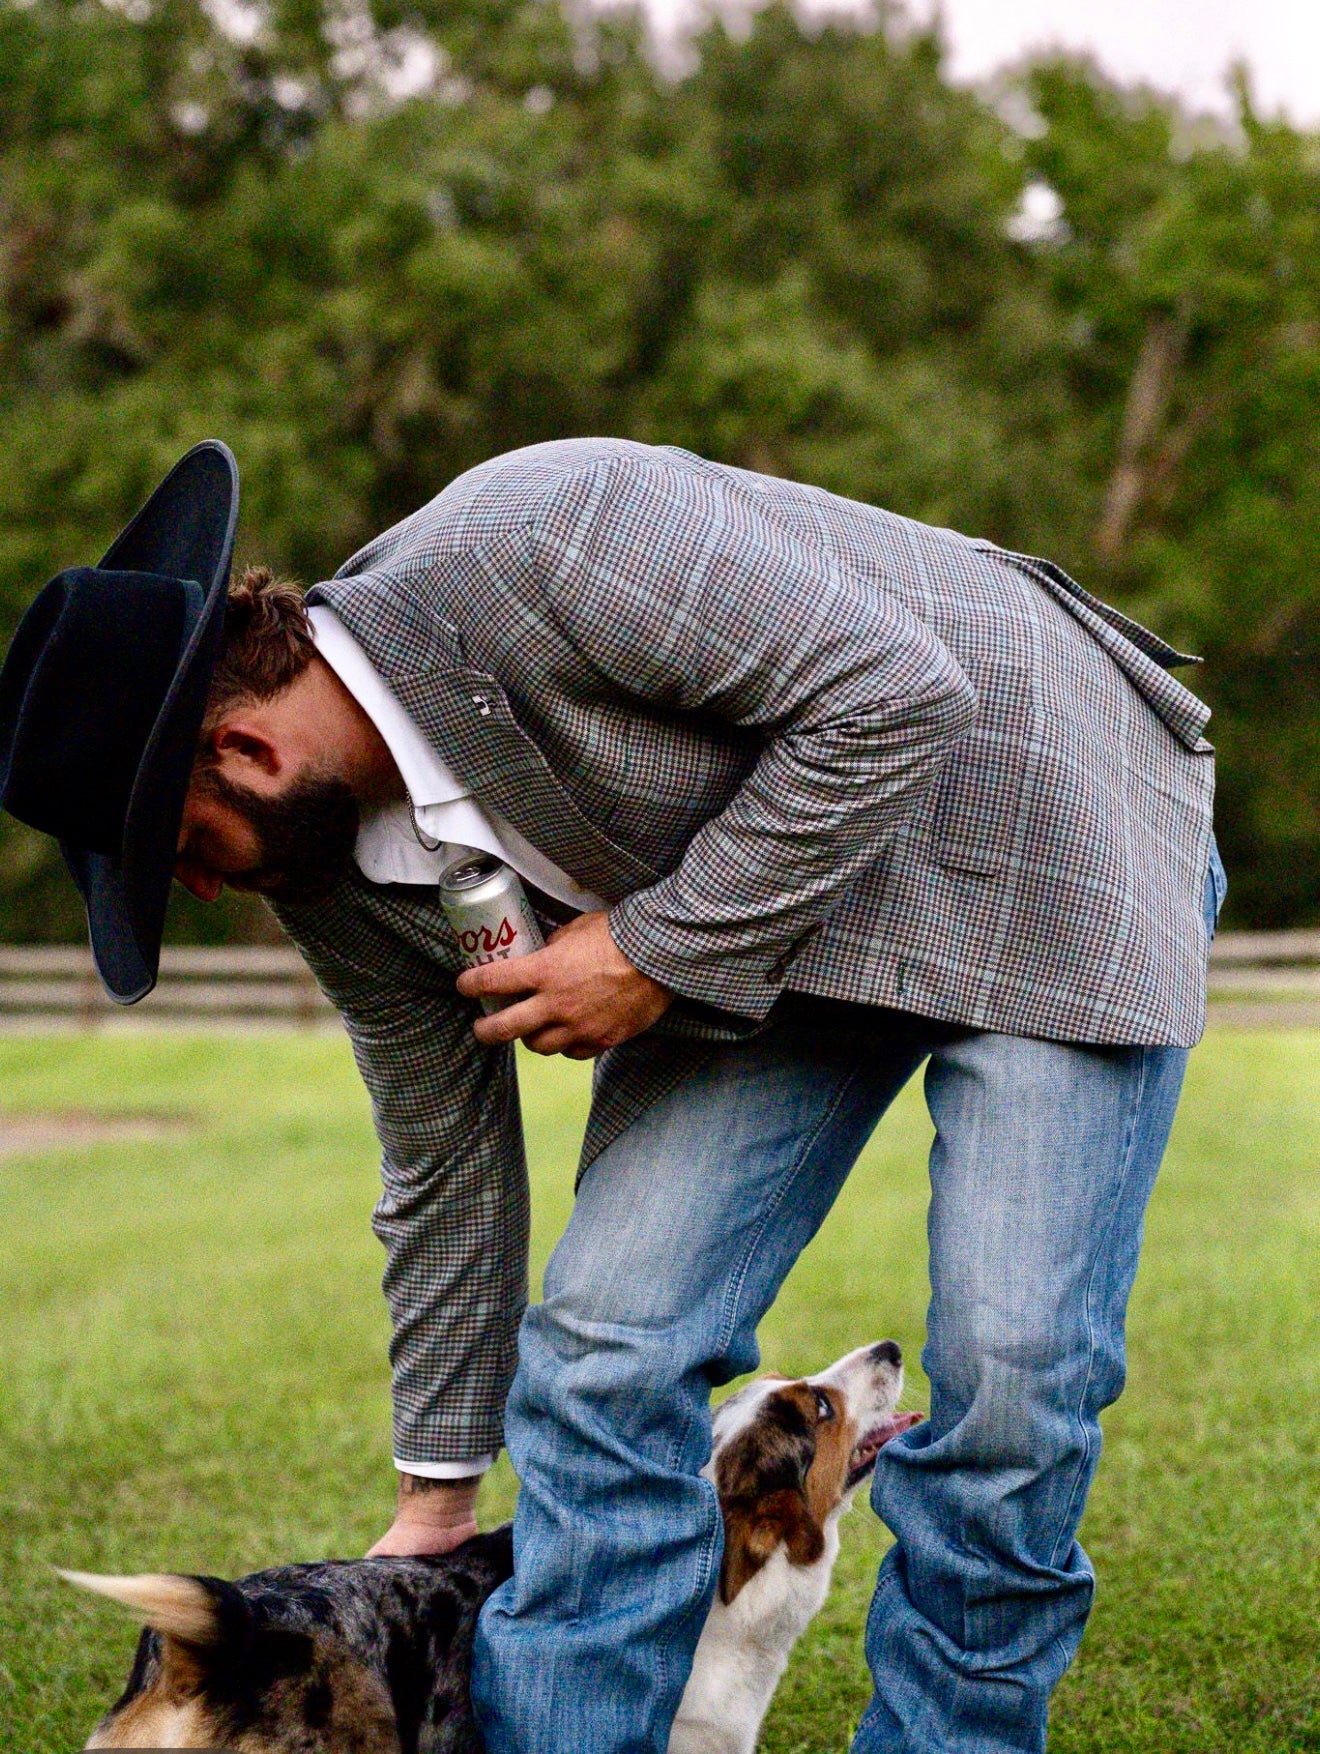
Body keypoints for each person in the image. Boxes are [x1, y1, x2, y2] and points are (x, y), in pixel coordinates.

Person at [0, 435, 1224, 1754]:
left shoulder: (542, 535)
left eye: (182, 846)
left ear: (242, 745)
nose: (196, 888)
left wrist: (647, 951)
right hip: (774, 922)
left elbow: (893, 694)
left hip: (1034, 813)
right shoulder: (328, 878)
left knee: (1015, 1366)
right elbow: (443, 1164)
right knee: (604, 1345)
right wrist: (436, 1488)